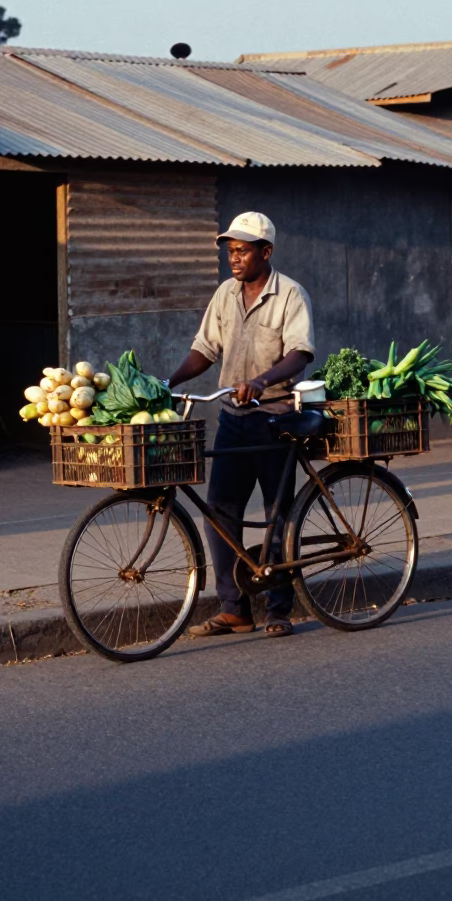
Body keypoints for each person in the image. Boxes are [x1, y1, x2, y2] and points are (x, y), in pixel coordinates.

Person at [168, 211, 314, 638]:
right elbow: (205, 349)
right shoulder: (225, 294)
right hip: (233, 418)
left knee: (277, 515)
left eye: (243, 251)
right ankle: (234, 608)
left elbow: (300, 352)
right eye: (231, 251)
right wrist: (168, 382)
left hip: (275, 418)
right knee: (220, 511)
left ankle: (279, 609)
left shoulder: (290, 294)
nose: (234, 258)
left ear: (265, 252)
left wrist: (262, 381)